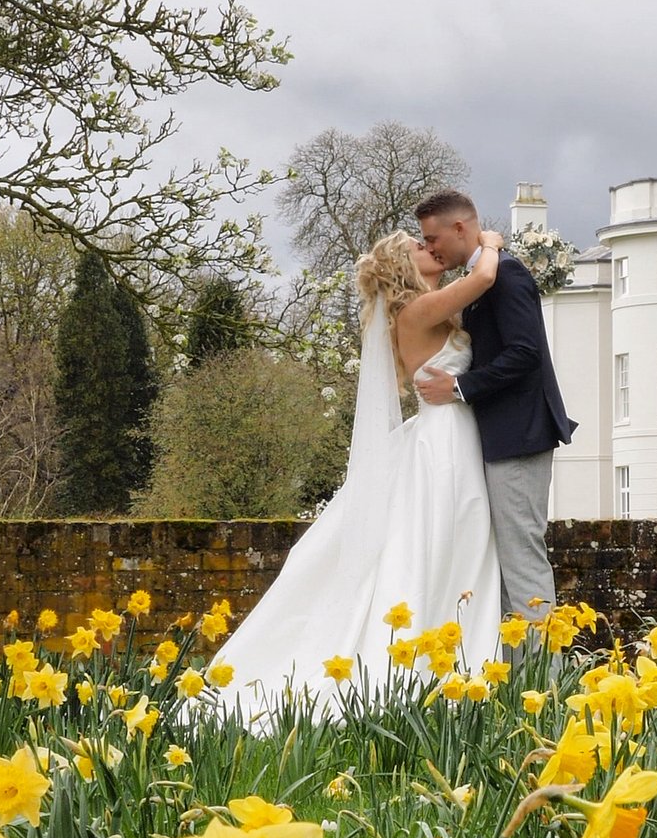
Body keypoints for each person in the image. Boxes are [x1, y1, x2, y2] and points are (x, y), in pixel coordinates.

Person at [209, 223, 511, 720]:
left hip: (454, 432)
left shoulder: (433, 308)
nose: (429, 246)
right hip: (443, 441)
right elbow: (481, 280)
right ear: (403, 268)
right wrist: (492, 244)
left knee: (460, 543)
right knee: (449, 539)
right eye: (419, 246)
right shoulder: (416, 311)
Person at [411, 188, 577, 626]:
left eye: (432, 238)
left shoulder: (506, 273)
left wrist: (460, 387)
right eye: (423, 242)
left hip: (519, 437)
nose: (430, 247)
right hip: (498, 437)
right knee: (503, 563)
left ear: (460, 227)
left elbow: (525, 353)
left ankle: (543, 682)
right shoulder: (482, 275)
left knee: (522, 560)